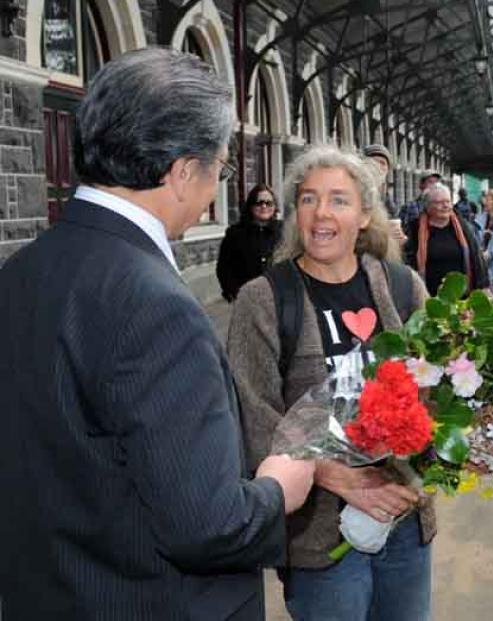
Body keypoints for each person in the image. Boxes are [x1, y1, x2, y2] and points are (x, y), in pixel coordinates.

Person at [0, 48, 315, 621]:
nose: (215, 188)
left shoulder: (23, 271)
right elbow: (208, 526)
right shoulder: (156, 306)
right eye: (219, 169)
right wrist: (277, 491)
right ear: (181, 170)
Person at [227, 144, 435, 620]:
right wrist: (337, 477)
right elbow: (251, 413)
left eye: (338, 199)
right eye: (307, 198)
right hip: (317, 537)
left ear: (364, 214)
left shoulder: (403, 287)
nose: (321, 212)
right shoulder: (263, 299)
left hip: (403, 519)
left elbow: (436, 391)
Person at [405, 183, 488, 296]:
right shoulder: (415, 229)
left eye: (448, 202)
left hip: (462, 298)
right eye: (439, 202)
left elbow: (476, 258)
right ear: (428, 206)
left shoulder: (463, 227)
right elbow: (409, 260)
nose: (445, 206)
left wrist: (483, 286)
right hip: (429, 296)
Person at [216, 183, 282, 302]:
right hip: (247, 301)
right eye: (259, 202)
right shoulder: (235, 234)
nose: (264, 206)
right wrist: (234, 293)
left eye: (268, 203)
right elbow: (224, 268)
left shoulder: (284, 231)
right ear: (251, 206)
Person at [362, 143, 406, 247]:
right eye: (374, 162)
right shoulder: (357, 191)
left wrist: (401, 238)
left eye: (383, 163)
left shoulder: (387, 197)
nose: (378, 167)